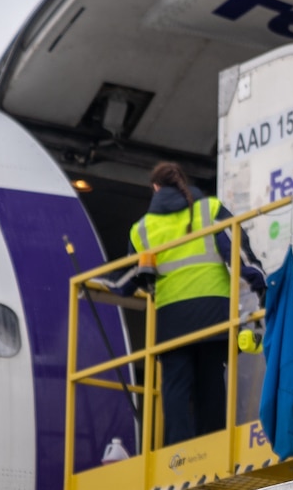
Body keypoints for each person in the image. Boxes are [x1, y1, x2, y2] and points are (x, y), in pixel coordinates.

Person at [107, 161, 266, 445]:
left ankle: (177, 453)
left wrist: (106, 285)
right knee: (211, 383)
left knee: (175, 387)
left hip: (171, 320)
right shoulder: (211, 209)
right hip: (214, 315)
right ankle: (213, 446)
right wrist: (261, 283)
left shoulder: (142, 228)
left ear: (155, 188)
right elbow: (238, 255)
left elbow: (131, 279)